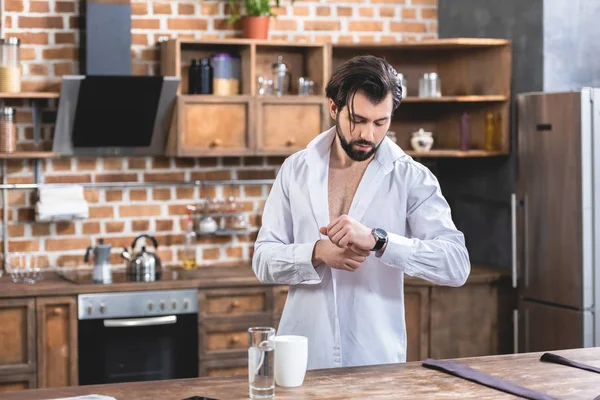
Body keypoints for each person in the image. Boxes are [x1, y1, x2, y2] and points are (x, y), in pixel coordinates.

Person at [252, 55, 471, 370]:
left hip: (376, 362)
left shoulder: (411, 177)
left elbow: (456, 264)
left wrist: (379, 241)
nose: (369, 135)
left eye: (380, 122)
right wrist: (316, 252)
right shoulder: (296, 170)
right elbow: (263, 260)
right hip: (302, 360)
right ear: (333, 108)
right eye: (358, 119)